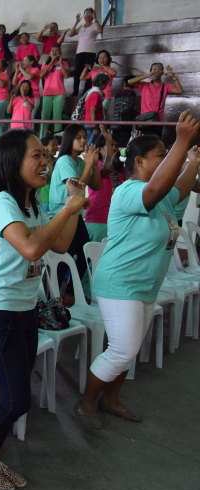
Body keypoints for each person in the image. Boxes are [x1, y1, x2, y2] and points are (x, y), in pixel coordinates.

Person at [0, 129, 88, 490]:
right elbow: (31, 249)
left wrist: (73, 205)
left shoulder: (30, 204)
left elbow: (60, 242)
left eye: (45, 156)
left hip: (25, 310)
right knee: (16, 397)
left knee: (16, 397)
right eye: (36, 156)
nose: (45, 162)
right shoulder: (2, 202)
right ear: (12, 160)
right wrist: (66, 209)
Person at [76, 112, 200, 429]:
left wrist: (193, 161)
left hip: (143, 284)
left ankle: (111, 400)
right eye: (160, 156)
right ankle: (86, 403)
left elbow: (181, 188)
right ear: (140, 162)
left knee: (128, 350)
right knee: (123, 349)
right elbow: (160, 189)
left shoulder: (161, 199)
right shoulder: (130, 191)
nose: (164, 161)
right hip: (121, 283)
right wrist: (182, 140)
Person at [49, 124, 99, 293]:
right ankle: (58, 294)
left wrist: (94, 165)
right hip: (61, 214)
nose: (83, 140)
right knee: (65, 255)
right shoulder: (65, 161)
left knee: (84, 252)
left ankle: (68, 292)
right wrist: (88, 164)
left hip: (74, 214)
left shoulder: (79, 161)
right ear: (69, 140)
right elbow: (78, 187)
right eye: (78, 138)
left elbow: (96, 184)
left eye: (84, 137)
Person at [127, 63, 184, 136]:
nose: (156, 71)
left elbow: (179, 90)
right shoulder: (144, 85)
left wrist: (173, 77)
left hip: (158, 121)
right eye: (154, 69)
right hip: (144, 121)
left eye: (159, 69)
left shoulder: (165, 86)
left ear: (162, 73)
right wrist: (147, 75)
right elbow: (129, 82)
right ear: (151, 71)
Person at [69, 7, 104, 97]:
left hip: (90, 52)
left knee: (89, 72)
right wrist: (76, 21)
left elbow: (100, 30)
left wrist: (96, 19)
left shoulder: (94, 25)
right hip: (80, 52)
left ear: (92, 15)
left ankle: (86, 91)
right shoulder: (81, 27)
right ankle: (75, 92)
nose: (87, 15)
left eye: (89, 14)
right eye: (86, 14)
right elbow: (71, 34)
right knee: (77, 73)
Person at [39, 45, 69, 139]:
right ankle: (42, 138)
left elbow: (67, 75)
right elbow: (41, 75)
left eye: (57, 50)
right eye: (52, 50)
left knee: (57, 116)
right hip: (47, 93)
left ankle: (58, 138)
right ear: (49, 53)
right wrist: (51, 62)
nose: (54, 52)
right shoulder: (45, 64)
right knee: (45, 116)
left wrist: (60, 63)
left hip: (59, 93)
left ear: (60, 53)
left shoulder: (64, 64)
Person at [80, 50, 117, 115]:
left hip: (106, 96)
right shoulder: (94, 70)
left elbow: (114, 73)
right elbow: (82, 77)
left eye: (104, 57)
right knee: (95, 114)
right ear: (97, 59)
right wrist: (86, 68)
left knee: (102, 113)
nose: (102, 59)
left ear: (108, 59)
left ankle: (103, 124)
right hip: (95, 95)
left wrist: (105, 68)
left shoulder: (111, 68)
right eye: (100, 57)